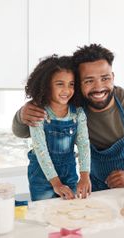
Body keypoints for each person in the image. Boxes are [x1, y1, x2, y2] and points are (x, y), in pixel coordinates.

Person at [13, 44, 124, 192]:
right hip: (93, 188)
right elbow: (22, 132)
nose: (98, 87)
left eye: (105, 78)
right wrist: (22, 115)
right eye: (89, 81)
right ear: (78, 83)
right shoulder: (72, 107)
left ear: (113, 76)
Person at [24, 55, 91, 201]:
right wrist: (56, 183)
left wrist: (85, 176)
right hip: (41, 175)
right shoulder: (38, 112)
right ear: (47, 85)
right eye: (60, 84)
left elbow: (84, 144)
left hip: (69, 172)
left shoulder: (78, 113)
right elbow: (40, 150)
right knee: (45, 215)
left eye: (71, 84)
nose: (66, 90)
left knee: (71, 212)